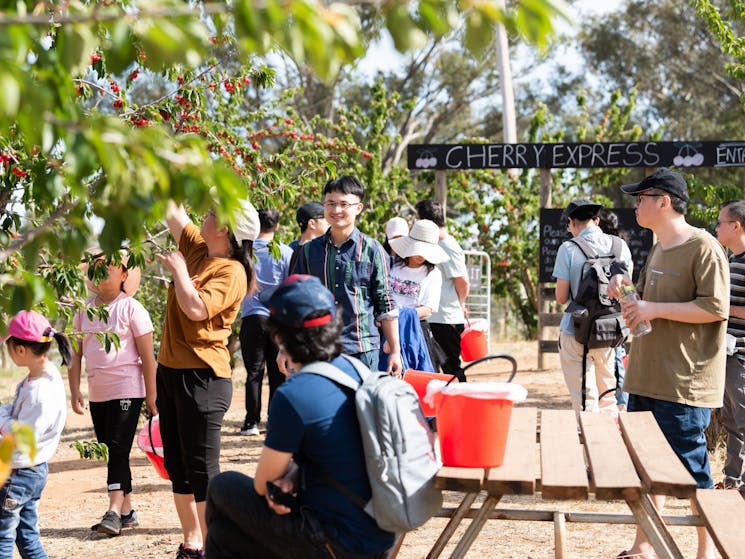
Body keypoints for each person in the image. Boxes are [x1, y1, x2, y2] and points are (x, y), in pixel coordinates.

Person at [205, 275, 395, 559]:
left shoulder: (295, 393)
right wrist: (293, 475)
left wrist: (283, 481)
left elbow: (262, 485)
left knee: (222, 486)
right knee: (222, 537)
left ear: (280, 336)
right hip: (379, 539)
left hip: (331, 542)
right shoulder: (356, 371)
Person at [608, 167, 728, 559]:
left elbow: (714, 308)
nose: (635, 205)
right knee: (646, 470)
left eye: (641, 198)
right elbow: (643, 300)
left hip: (683, 383)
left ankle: (705, 551)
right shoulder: (658, 246)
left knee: (693, 473)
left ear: (664, 201)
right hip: (644, 376)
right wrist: (622, 292)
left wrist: (651, 308)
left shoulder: (704, 247)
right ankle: (643, 546)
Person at [156, 199, 259, 559]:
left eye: (213, 213)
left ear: (225, 229)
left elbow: (196, 308)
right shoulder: (199, 248)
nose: (204, 216)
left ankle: (215, 547)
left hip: (203, 378)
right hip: (170, 372)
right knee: (177, 464)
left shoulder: (232, 272)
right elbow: (172, 210)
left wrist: (180, 272)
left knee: (201, 468)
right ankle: (192, 542)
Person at [70, 249, 157, 536]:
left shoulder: (132, 308)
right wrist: (74, 390)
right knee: (111, 451)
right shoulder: (84, 310)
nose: (103, 270)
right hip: (98, 393)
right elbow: (75, 355)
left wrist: (152, 395)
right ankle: (128, 512)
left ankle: (112, 511)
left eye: (111, 266)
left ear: (124, 274)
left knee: (119, 448)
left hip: (127, 390)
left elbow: (148, 357)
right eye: (97, 266)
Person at [293, 175, 401, 375]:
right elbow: (297, 302)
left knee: (361, 405)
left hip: (362, 348)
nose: (336, 210)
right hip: (319, 347)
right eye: (331, 204)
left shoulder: (373, 250)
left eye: (344, 204)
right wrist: (286, 349)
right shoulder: (308, 252)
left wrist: (395, 351)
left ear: (358, 208)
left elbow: (385, 302)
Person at [0, 310, 70, 558]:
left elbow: (21, 435)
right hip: (33, 470)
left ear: (20, 350)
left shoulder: (39, 393)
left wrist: (1, 416)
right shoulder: (46, 374)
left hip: (18, 474)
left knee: (2, 538)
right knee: (27, 536)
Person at [553, 199, 632, 414]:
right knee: (608, 397)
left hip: (576, 330)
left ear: (571, 221)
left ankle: (588, 442)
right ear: (596, 220)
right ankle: (609, 443)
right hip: (609, 331)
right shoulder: (619, 245)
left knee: (585, 400)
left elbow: (561, 297)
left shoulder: (568, 248)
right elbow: (627, 290)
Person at [239, 208, 293, 436]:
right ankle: (275, 419)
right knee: (277, 370)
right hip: (277, 319)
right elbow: (291, 286)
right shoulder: (285, 252)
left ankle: (251, 422)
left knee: (253, 371)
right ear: (277, 226)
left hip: (251, 316)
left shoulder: (245, 253)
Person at [414, 199, 469, 381]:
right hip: (433, 316)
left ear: (425, 220)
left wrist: (460, 304)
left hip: (446, 318)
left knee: (451, 368)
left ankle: (463, 406)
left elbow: (462, 281)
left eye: (417, 218)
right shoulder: (434, 243)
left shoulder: (448, 245)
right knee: (431, 370)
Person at [387, 219, 448, 372]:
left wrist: (398, 315)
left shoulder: (433, 274)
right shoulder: (392, 265)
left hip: (415, 331)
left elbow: (427, 309)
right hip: (385, 328)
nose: (421, 255)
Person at [714, 199, 745, 491]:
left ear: (736, 226)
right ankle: (733, 481)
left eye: (721, 222)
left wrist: (723, 308)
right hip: (727, 351)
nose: (717, 227)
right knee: (733, 422)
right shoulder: (731, 260)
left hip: (741, 355)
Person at [597, 208, 630, 411]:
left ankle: (622, 408)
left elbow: (627, 289)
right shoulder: (621, 247)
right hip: (618, 320)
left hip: (611, 319)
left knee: (616, 366)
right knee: (615, 364)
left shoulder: (613, 250)